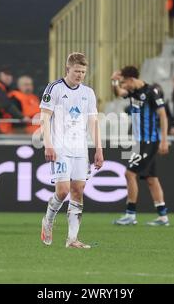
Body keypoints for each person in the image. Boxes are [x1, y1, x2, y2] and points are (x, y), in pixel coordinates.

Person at [40, 52, 103, 248]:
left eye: (83, 72)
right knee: (63, 191)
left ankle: (72, 239)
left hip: (80, 149)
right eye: (77, 71)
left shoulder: (88, 93)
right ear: (68, 69)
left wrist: (99, 149)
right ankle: (48, 220)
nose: (80, 75)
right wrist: (48, 144)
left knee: (78, 191)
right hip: (60, 147)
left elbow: (94, 122)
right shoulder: (54, 88)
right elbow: (44, 118)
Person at [110, 66, 170, 226]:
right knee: (151, 179)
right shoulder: (133, 92)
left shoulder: (151, 92)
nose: (123, 86)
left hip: (149, 141)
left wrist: (164, 140)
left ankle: (130, 214)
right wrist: (114, 81)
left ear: (130, 79)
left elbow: (163, 116)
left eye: (123, 82)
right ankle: (163, 217)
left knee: (129, 174)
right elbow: (118, 93)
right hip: (140, 142)